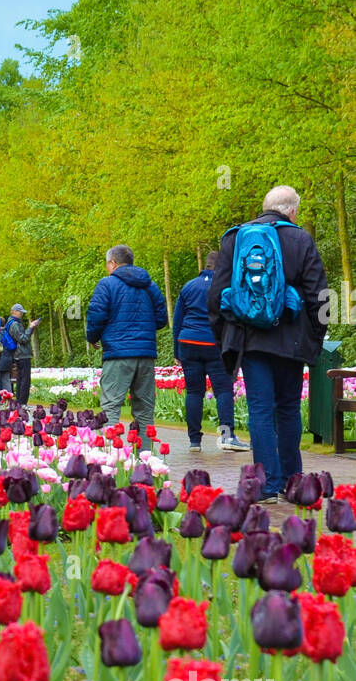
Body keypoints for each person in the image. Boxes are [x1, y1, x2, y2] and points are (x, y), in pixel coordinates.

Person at [209, 185, 328, 500]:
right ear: (292, 211)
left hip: (251, 341)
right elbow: (321, 294)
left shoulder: (236, 238)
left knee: (260, 409)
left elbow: (216, 294)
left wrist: (226, 337)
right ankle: (293, 481)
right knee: (288, 408)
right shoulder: (301, 239)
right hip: (291, 340)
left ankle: (266, 484)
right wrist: (315, 337)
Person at [85, 245, 168, 433]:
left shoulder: (107, 284)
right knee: (145, 411)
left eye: (107, 264)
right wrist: (143, 330)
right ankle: (145, 457)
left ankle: (111, 457)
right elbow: (161, 318)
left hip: (117, 354)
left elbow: (96, 316)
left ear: (113, 263)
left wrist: (93, 337)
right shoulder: (150, 286)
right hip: (145, 355)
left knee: (111, 408)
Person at [173, 253, 249, 452]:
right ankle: (226, 436)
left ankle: (194, 441)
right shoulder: (225, 287)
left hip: (188, 341)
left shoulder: (189, 286)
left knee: (194, 392)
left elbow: (178, 320)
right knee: (223, 391)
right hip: (215, 343)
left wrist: (177, 351)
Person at [0, 304, 40, 403]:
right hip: (22, 355)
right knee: (24, 380)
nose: (22, 314)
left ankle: (20, 402)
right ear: (14, 312)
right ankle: (22, 402)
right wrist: (31, 328)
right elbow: (23, 339)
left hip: (19, 354)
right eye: (20, 312)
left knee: (21, 379)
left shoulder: (12, 323)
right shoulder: (14, 324)